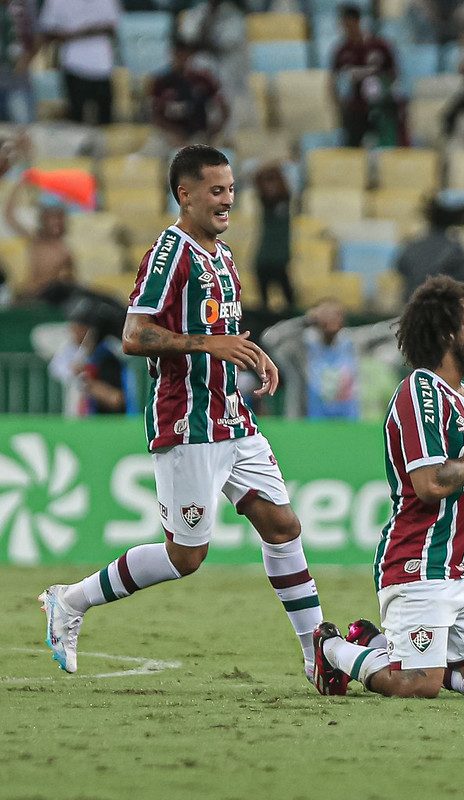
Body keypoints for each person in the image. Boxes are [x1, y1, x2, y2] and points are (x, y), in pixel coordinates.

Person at [38, 145, 324, 685]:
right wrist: (206, 345)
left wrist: (251, 352)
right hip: (187, 423)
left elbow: (224, 334)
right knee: (186, 557)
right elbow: (134, 335)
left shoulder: (223, 255)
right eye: (216, 191)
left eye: (231, 190)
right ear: (185, 195)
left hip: (233, 419)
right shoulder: (171, 253)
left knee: (283, 526)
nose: (227, 200)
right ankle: (70, 601)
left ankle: (316, 656)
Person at [312, 275, 464, 698]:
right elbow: (430, 484)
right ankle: (334, 649)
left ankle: (378, 644)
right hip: (420, 566)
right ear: (448, 334)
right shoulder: (420, 391)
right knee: (416, 687)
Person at [261, 299, 399, 421]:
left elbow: (389, 331)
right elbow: (269, 338)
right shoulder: (300, 347)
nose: (332, 318)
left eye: (337, 314)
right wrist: (305, 320)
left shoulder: (353, 342)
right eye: (325, 313)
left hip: (349, 425)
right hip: (307, 424)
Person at [330, 3, 407, 147]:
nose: (345, 29)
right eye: (343, 25)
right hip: (355, 107)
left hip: (382, 104)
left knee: (393, 133)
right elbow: (332, 81)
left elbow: (395, 74)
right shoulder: (342, 50)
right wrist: (339, 106)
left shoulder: (380, 46)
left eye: (348, 24)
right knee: (352, 146)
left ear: (357, 21)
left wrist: (384, 89)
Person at [37, 0, 121, 125]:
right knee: (76, 122)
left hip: (102, 68)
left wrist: (75, 34)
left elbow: (113, 28)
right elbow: (47, 31)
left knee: (106, 122)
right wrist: (86, 32)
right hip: (73, 66)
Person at [395, 191, 464, 303]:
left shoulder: (411, 246)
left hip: (412, 308)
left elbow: (400, 268)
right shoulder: (455, 250)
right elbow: (463, 284)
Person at [4, 172, 75, 299]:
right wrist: (19, 185)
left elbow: (70, 281)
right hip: (31, 295)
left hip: (51, 298)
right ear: (43, 220)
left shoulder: (65, 251)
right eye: (51, 218)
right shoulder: (36, 240)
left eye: (59, 218)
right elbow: (9, 215)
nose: (55, 223)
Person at [150, 39, 231, 148]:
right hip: (169, 134)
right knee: (157, 150)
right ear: (172, 54)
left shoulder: (203, 79)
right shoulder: (161, 81)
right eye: (178, 54)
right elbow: (154, 115)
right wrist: (174, 133)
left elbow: (223, 107)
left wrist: (215, 130)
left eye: (185, 55)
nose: (182, 58)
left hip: (198, 134)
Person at [253, 162, 294, 310]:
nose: (270, 187)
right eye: (266, 182)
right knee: (263, 304)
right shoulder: (265, 202)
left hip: (280, 259)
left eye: (273, 181)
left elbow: (283, 193)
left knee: (290, 300)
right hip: (263, 259)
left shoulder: (285, 199)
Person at [0, 0, 37, 124]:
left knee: (23, 135)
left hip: (17, 84)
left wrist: (27, 58)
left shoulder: (28, 4)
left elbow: (40, 33)